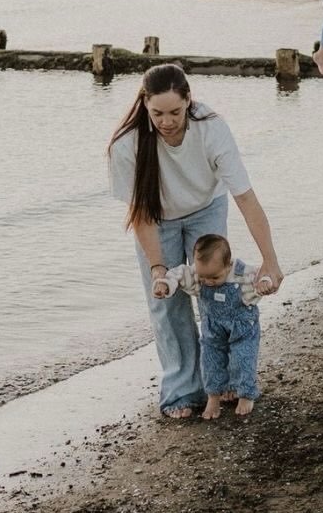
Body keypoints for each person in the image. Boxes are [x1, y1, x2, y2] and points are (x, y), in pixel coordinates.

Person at [107, 63, 284, 419]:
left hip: (206, 206)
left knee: (216, 290)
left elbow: (245, 198)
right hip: (157, 220)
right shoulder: (126, 145)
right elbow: (140, 215)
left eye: (175, 111)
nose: (167, 121)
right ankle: (182, 390)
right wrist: (159, 267)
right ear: (145, 105)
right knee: (166, 300)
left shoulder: (212, 128)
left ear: (189, 100)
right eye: (157, 113)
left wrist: (270, 259)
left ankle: (225, 381)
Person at [160, 233, 272, 419]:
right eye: (204, 278)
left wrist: (265, 284)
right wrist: (165, 284)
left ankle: (246, 394)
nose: (208, 282)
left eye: (214, 277)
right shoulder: (198, 275)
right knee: (210, 360)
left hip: (243, 326)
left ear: (228, 266)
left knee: (244, 358)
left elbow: (263, 275)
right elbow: (177, 274)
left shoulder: (241, 273)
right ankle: (213, 396)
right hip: (212, 328)